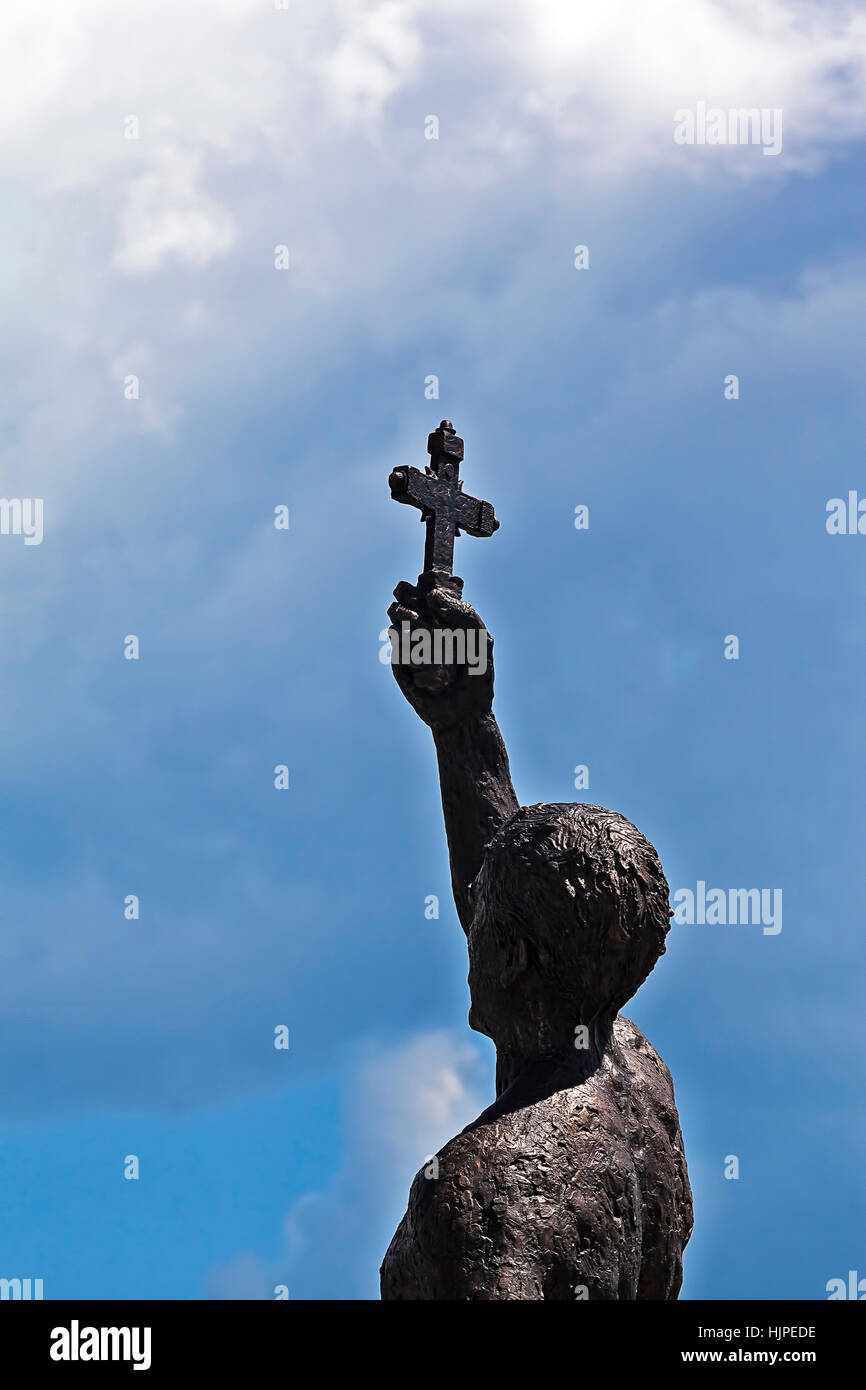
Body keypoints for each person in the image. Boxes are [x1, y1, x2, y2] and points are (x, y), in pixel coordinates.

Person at [379, 575, 692, 1300]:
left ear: (513, 955)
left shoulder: (476, 1193)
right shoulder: (635, 1077)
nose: (467, 919)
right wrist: (465, 729)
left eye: (481, 915)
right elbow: (544, 926)